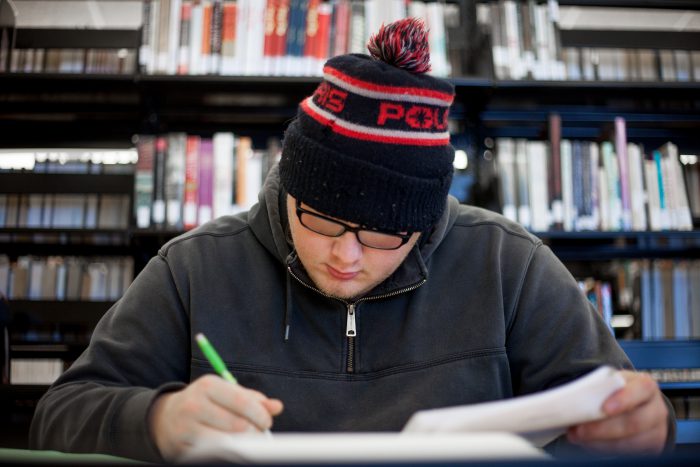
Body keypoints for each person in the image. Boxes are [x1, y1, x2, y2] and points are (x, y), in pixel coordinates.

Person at [30, 18, 673, 463]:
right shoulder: (193, 269)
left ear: (425, 222)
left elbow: (633, 415)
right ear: (288, 189)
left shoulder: (510, 264)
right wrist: (158, 422)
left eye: (383, 234)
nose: (345, 255)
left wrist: (645, 428)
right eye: (322, 220)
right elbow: (57, 416)